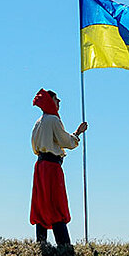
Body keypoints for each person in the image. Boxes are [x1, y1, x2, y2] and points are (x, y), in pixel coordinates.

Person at [30, 89, 87, 246]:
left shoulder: (38, 122)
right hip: (52, 167)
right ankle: (64, 246)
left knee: (41, 203)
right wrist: (77, 133)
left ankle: (41, 243)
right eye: (56, 99)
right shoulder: (54, 120)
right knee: (56, 203)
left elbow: (34, 145)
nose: (59, 102)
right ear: (50, 101)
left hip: (40, 166)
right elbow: (65, 141)